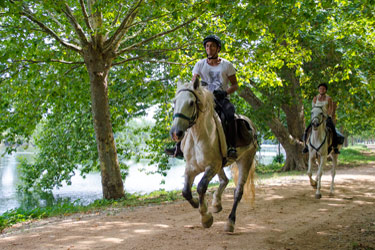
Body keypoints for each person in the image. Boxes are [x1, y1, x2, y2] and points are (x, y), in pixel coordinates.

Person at [166, 35, 239, 159]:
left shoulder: (227, 65)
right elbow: (194, 81)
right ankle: (179, 146)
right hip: (204, 99)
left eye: (212, 46)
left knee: (230, 113)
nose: (209, 48)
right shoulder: (199, 64)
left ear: (218, 49)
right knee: (187, 113)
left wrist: (225, 93)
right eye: (207, 46)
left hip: (220, 99)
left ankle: (231, 146)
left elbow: (235, 85)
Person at [302, 83, 340, 154]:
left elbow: (330, 108)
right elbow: (313, 108)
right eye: (320, 89)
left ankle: (335, 147)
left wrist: (328, 116)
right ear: (318, 90)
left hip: (325, 117)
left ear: (325, 90)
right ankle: (306, 146)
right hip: (317, 117)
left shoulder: (329, 98)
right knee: (307, 129)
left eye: (323, 89)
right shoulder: (315, 98)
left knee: (333, 129)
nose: (321, 90)